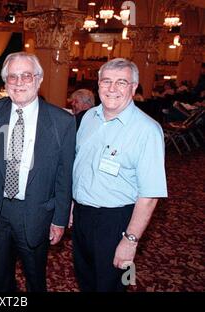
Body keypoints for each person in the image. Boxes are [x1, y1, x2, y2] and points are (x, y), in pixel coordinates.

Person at [0, 52, 76, 292]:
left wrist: (60, 219)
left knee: (35, 278)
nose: (19, 82)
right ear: (5, 82)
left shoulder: (62, 121)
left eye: (26, 76)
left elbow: (65, 175)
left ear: (39, 80)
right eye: (12, 77)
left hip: (36, 213)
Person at [72, 58, 168, 292]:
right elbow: (82, 167)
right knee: (86, 281)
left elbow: (150, 195)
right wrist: (74, 206)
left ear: (133, 87)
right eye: (106, 81)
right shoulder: (87, 118)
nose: (112, 88)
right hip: (83, 217)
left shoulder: (148, 130)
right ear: (98, 85)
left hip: (118, 221)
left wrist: (131, 240)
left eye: (121, 82)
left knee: (116, 285)